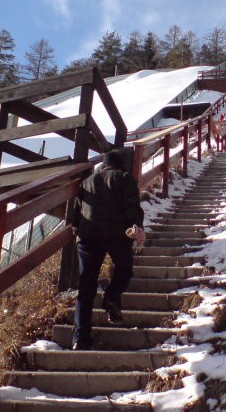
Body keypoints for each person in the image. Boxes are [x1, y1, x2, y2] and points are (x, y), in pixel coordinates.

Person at [71, 150, 145, 351]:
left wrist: (78, 232)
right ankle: (111, 297)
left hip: (88, 237)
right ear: (120, 166)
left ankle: (80, 338)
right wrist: (136, 225)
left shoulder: (86, 181)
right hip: (117, 235)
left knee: (86, 287)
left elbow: (76, 213)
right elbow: (130, 204)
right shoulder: (124, 177)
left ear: (103, 166)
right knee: (124, 270)